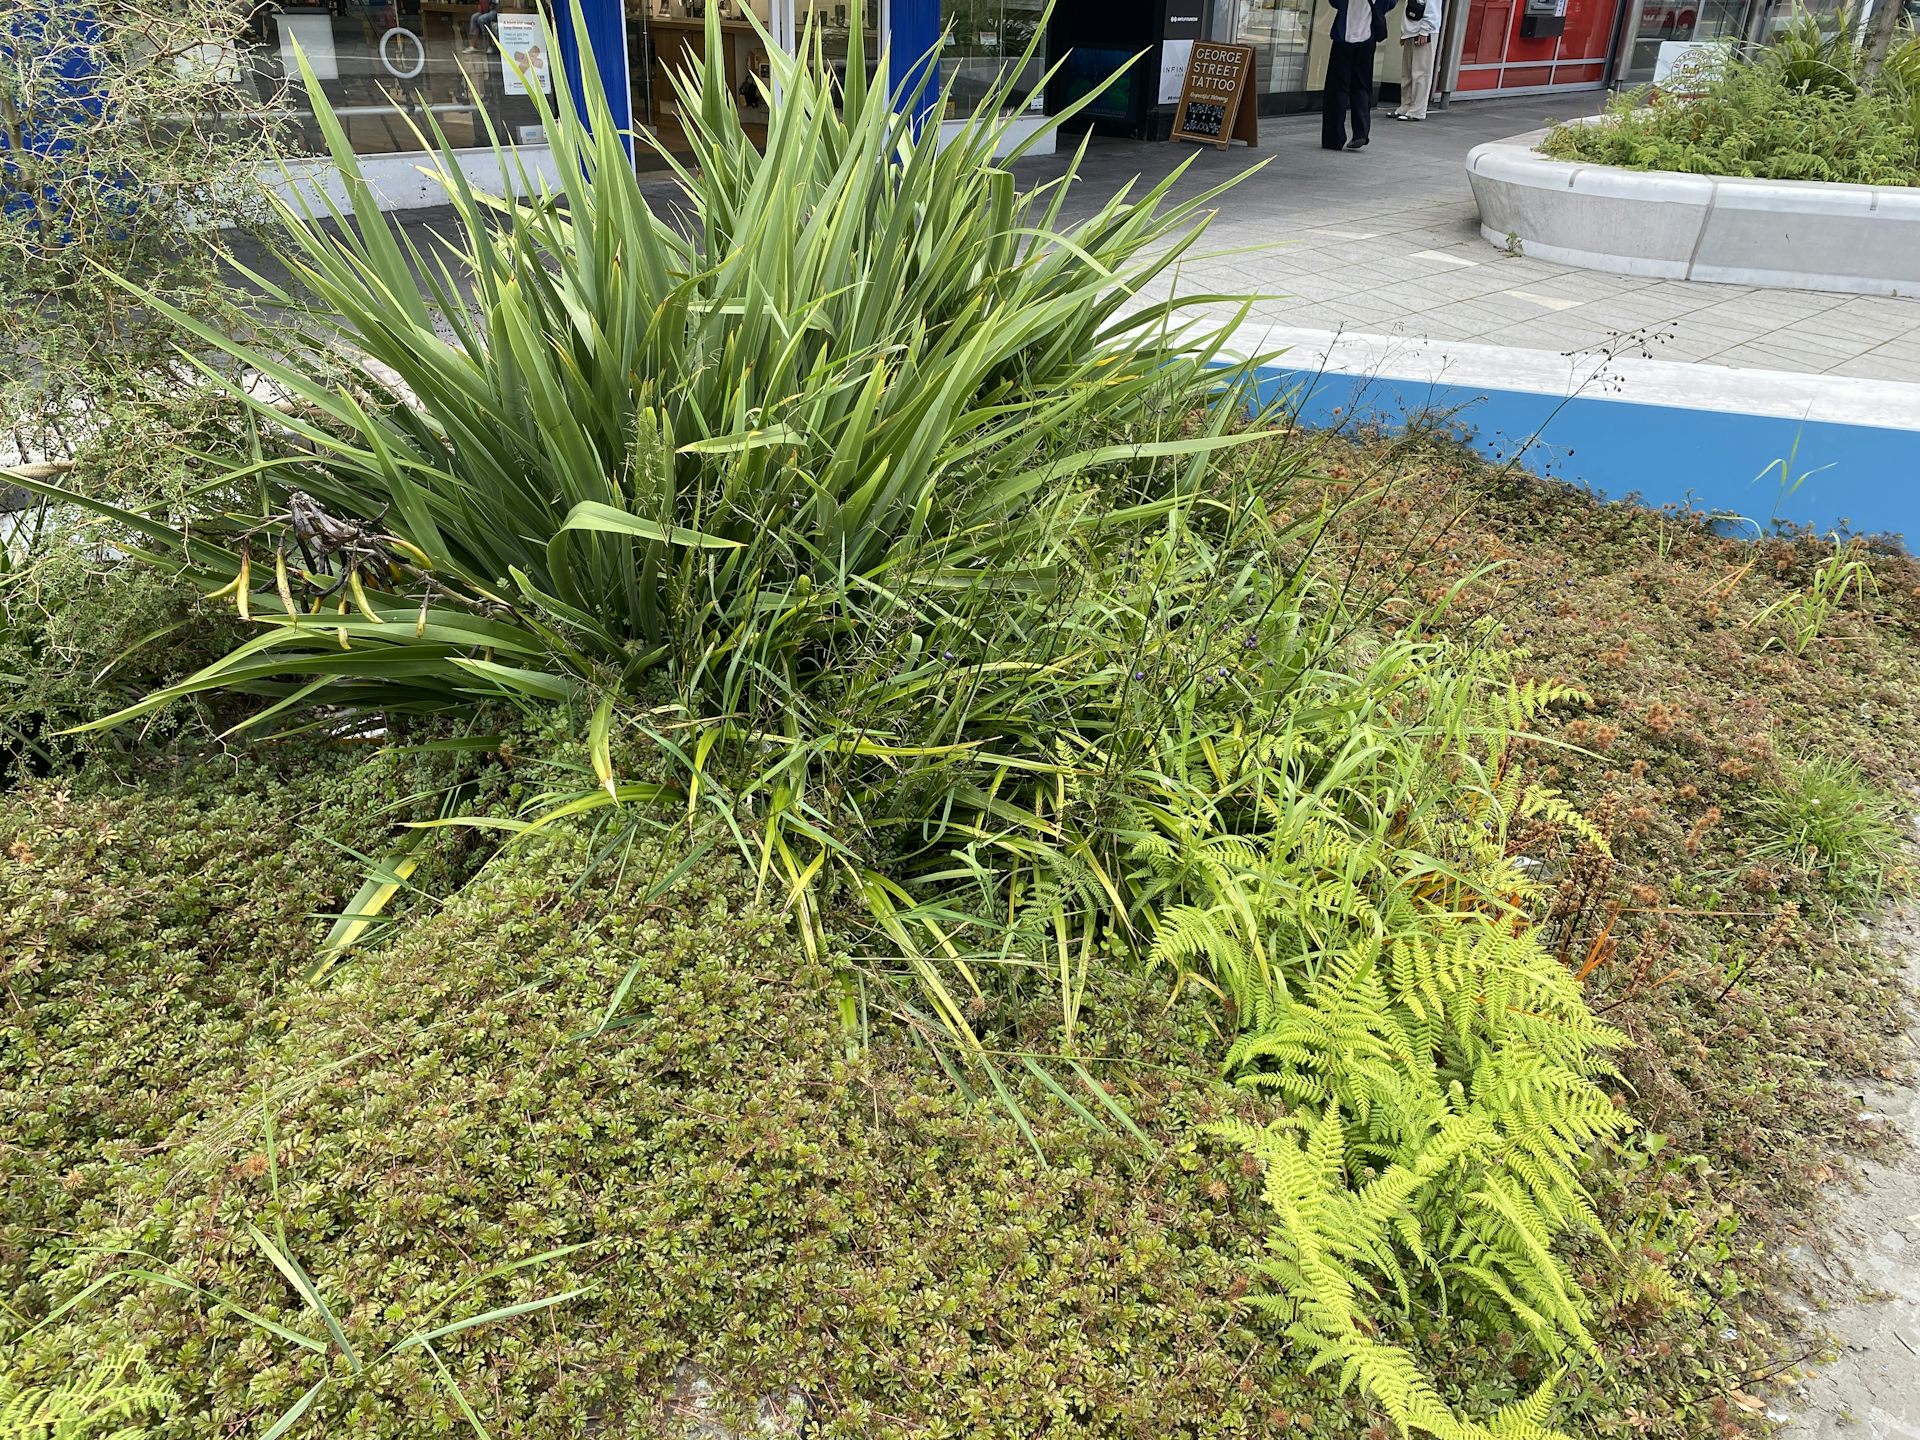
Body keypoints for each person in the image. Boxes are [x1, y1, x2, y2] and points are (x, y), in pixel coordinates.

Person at [1322, 0, 1399, 152]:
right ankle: (1361, 132)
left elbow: (1334, 2)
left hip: (1344, 37)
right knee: (1362, 87)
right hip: (1367, 39)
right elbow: (1390, 4)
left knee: (1337, 89)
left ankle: (1334, 138)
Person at [1391, 0, 1441, 121]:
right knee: (1407, 72)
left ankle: (1417, 110)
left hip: (1424, 31)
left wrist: (1425, 30)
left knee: (1421, 72)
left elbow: (1432, 8)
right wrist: (1404, 32)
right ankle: (1406, 105)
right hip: (1411, 30)